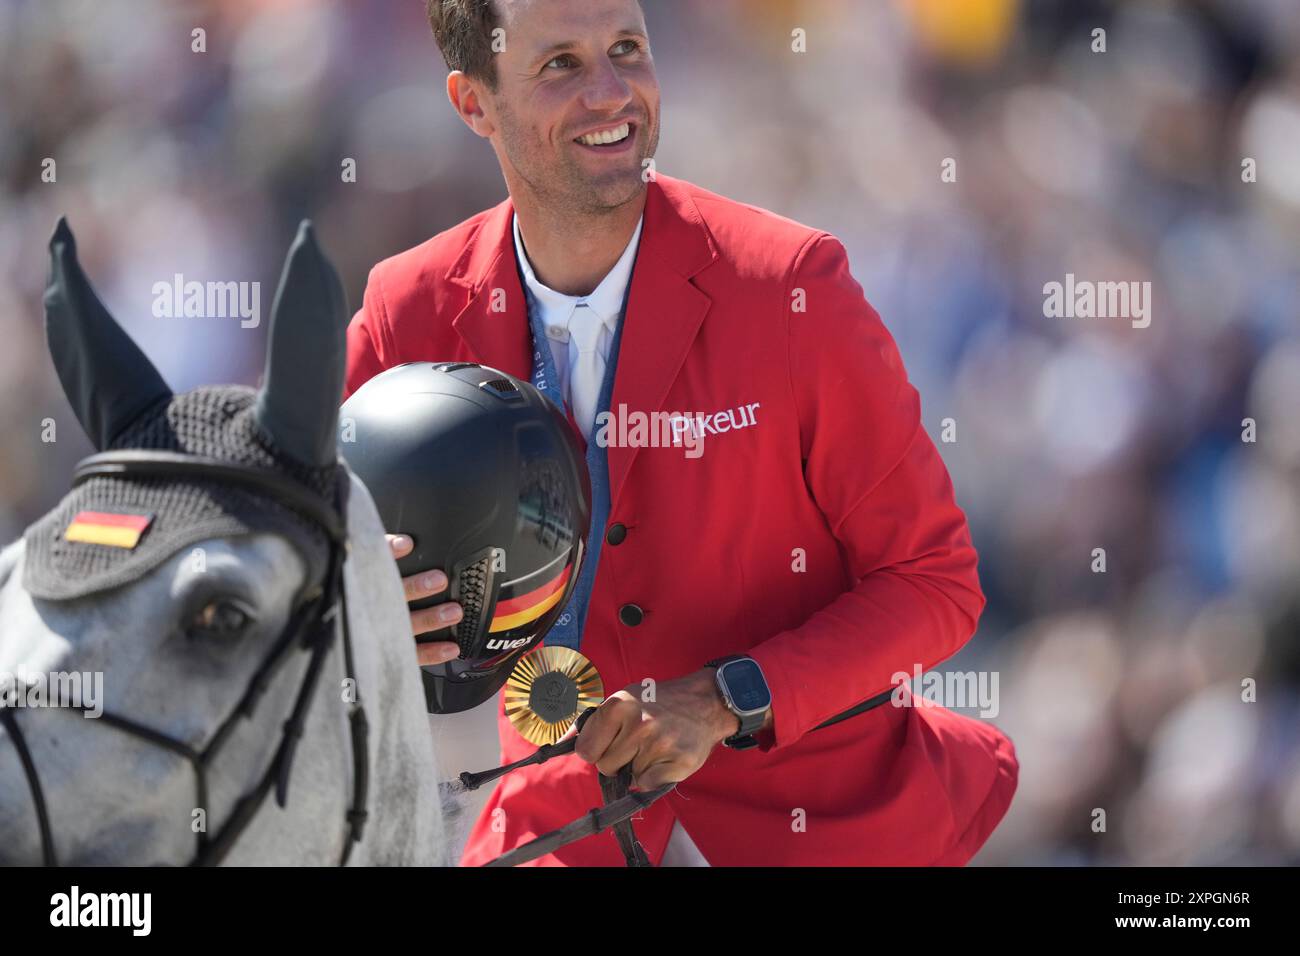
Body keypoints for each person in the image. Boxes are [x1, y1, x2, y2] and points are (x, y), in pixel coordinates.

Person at [343, 0, 1018, 866]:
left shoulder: (789, 284)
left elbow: (935, 584)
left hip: (823, 830)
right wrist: (373, 609)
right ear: (473, 103)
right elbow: (328, 584)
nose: (613, 93)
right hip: (550, 833)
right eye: (561, 66)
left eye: (628, 49)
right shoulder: (408, 307)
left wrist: (729, 697)